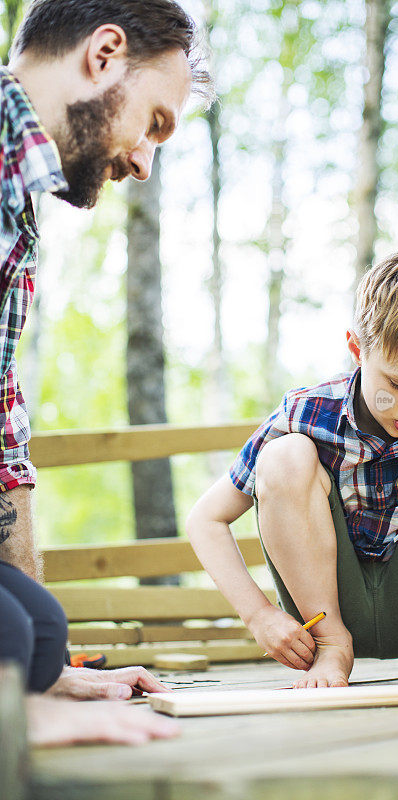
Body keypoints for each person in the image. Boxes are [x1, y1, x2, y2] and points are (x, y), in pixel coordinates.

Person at [0, 0, 213, 742]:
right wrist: (15, 711)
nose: (144, 163)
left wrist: (44, 672)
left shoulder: (16, 198)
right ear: (104, 54)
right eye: (154, 123)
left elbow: (2, 426)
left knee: (38, 633)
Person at [187, 244, 398, 688]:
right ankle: (333, 650)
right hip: (324, 612)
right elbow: (205, 519)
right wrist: (259, 616)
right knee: (285, 455)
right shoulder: (307, 412)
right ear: (357, 348)